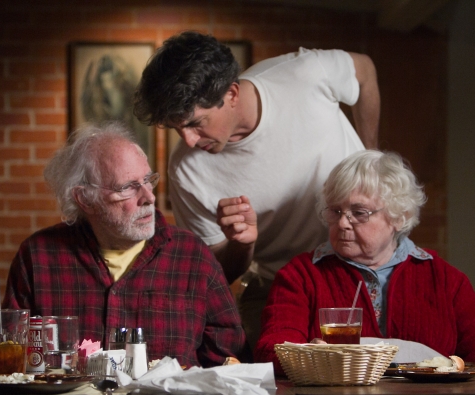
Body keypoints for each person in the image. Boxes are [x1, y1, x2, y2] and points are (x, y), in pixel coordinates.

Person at [133, 31, 381, 350]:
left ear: (232, 94)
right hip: (283, 284)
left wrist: (372, 159)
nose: (189, 140)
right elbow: (217, 274)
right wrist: (241, 244)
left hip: (369, 267)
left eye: (196, 123)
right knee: (262, 365)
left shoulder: (305, 75)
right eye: (176, 128)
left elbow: (364, 71)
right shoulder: (187, 169)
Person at [254, 150, 475, 375]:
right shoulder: (300, 275)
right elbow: (271, 349)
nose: (342, 223)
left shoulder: (444, 279)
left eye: (359, 212)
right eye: (335, 211)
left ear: (400, 216)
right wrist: (305, 355)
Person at [3, 121, 249, 368]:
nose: (149, 197)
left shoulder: (192, 256)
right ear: (85, 199)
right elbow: (11, 360)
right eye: (128, 188)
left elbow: (231, 363)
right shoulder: (37, 257)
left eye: (148, 180)